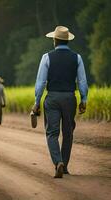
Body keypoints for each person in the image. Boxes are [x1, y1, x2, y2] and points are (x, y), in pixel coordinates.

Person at [32, 26, 88, 178]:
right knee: (68, 133)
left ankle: (58, 162)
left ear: (54, 40)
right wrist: (83, 99)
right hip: (70, 98)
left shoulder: (46, 57)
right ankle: (65, 165)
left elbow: (41, 82)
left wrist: (37, 102)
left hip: (53, 98)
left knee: (52, 133)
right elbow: (82, 81)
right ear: (67, 40)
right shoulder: (77, 57)